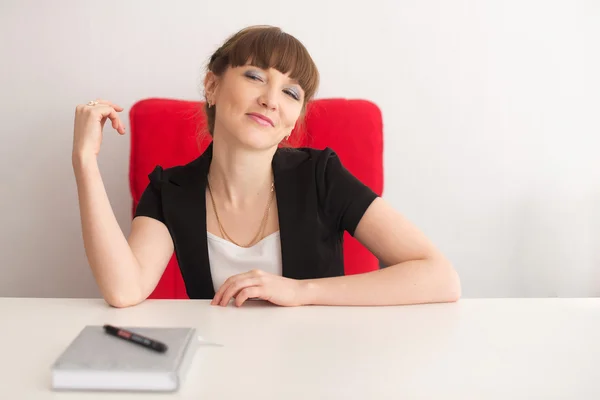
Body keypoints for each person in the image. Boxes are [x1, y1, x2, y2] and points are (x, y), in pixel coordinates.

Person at [72, 25, 461, 308]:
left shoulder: (321, 175)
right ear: (212, 87)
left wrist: (301, 291)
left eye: (291, 92)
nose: (271, 100)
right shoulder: (170, 190)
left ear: (293, 121)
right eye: (255, 76)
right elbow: (124, 290)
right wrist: (85, 162)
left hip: (319, 368)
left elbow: (439, 276)